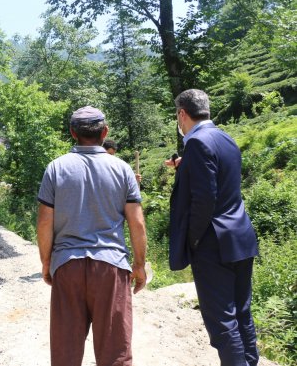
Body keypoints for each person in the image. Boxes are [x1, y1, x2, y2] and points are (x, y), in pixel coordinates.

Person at [37, 106, 148, 366]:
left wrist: (46, 263)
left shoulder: (55, 169)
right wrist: (139, 265)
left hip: (67, 266)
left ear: (73, 133)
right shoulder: (122, 170)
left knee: (65, 354)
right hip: (110, 268)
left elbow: (44, 223)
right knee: (115, 355)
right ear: (104, 132)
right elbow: (137, 223)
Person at [166, 89, 259, 366]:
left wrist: (194, 240)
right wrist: (186, 167)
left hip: (213, 242)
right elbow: (221, 178)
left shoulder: (196, 143)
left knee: (222, 321)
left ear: (182, 113)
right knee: (242, 312)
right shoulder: (225, 138)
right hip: (240, 235)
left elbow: (205, 200)